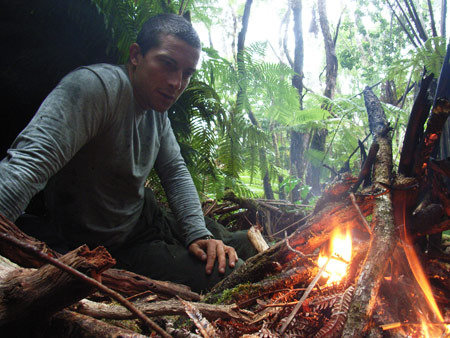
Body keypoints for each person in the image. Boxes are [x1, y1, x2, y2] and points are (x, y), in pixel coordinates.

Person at [0, 13, 256, 292]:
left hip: (145, 218)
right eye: (167, 64)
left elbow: (175, 172)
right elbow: (28, 163)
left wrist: (197, 233)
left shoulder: (156, 109)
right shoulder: (95, 89)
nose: (176, 83)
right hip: (110, 246)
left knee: (247, 243)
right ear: (136, 55)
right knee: (236, 272)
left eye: (186, 73)